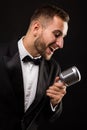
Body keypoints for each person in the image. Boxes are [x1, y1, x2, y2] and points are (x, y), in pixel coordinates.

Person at [0, 4, 70, 130]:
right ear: (36, 28)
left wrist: (54, 102)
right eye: (57, 34)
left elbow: (49, 117)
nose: (60, 44)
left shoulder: (54, 68)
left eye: (63, 37)